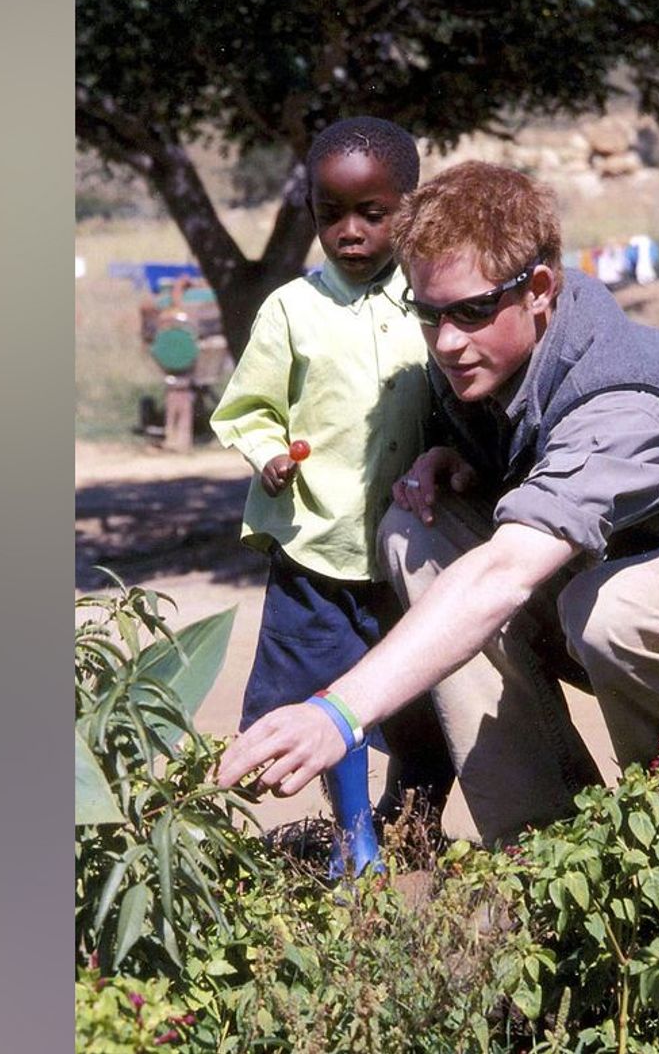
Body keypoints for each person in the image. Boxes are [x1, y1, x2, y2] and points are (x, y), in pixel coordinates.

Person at [218, 161, 659, 846]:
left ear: (538, 289)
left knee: (610, 608)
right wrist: (462, 463)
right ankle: (545, 849)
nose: (447, 341)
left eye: (473, 311)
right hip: (614, 590)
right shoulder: (492, 365)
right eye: (428, 314)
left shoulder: (627, 397)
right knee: (416, 531)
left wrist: (339, 711)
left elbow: (506, 570)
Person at [208, 117, 453, 873]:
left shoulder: (432, 299)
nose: (349, 232)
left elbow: (459, 397)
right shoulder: (291, 309)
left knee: (427, 697)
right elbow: (247, 407)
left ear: (408, 207)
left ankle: (416, 821)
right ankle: (357, 841)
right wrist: (270, 452)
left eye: (372, 214)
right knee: (329, 696)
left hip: (412, 545)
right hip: (318, 545)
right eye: (329, 215)